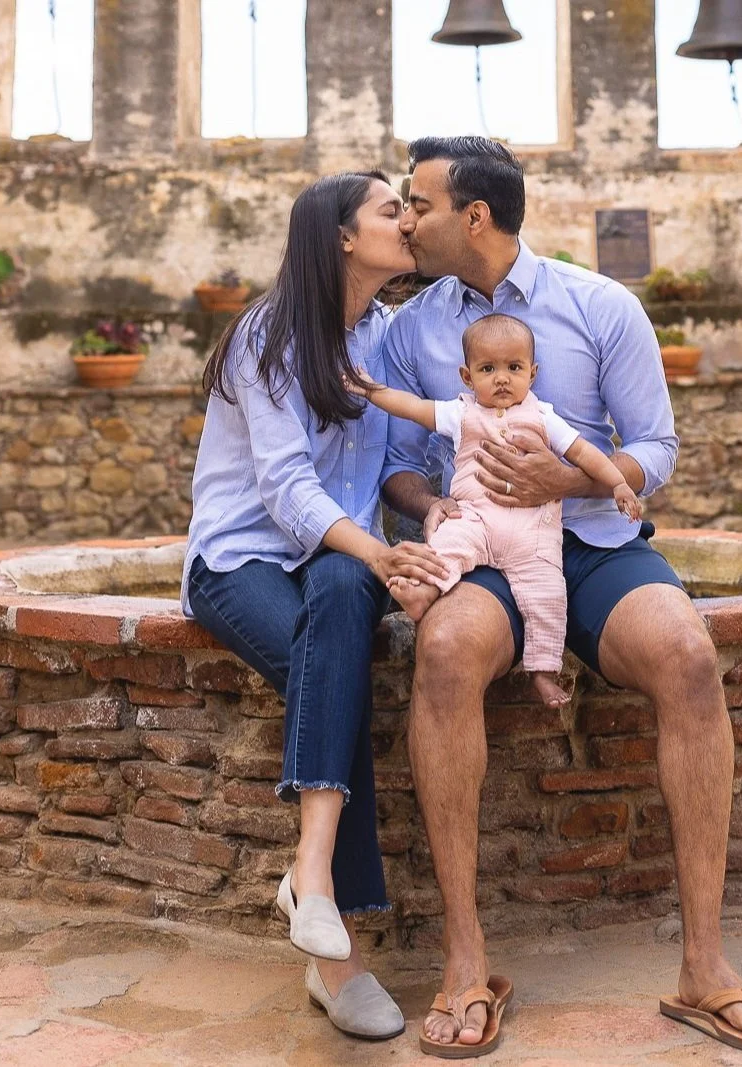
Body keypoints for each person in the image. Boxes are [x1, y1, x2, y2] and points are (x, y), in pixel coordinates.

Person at [380, 136, 742, 1057]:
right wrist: (434, 500)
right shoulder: (407, 330)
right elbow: (399, 468)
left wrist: (561, 483)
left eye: (419, 204)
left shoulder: (601, 304)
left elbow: (654, 449)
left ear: (474, 216)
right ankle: (464, 959)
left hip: (596, 551)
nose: (406, 220)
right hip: (483, 558)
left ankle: (703, 968)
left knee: (689, 658)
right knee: (445, 652)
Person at [181, 170, 447, 1041]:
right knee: (329, 665)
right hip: (240, 559)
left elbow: (398, 464)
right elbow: (286, 486)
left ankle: (313, 882)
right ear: (338, 234)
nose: (405, 222)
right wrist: (375, 547)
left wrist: (429, 513)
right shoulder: (267, 335)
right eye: (388, 210)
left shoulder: (382, 337)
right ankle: (336, 956)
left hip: (332, 566)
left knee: (339, 601)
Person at [346, 312, 640, 708]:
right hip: (476, 518)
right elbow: (412, 408)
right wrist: (371, 391)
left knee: (548, 597)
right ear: (467, 377)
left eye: (513, 368)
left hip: (533, 533)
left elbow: (586, 453)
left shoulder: (543, 417)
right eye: (488, 369)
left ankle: (543, 671)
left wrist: (618, 483)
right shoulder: (462, 413)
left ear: (532, 373)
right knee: (448, 545)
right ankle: (423, 592)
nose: (502, 378)